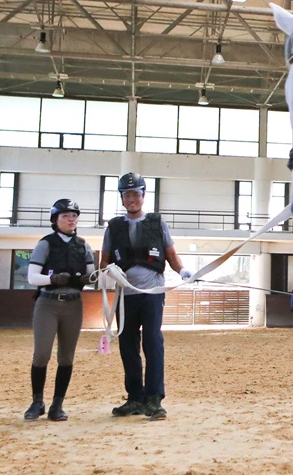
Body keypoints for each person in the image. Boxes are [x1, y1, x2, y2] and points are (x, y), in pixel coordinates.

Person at [100, 173, 190, 420]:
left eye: (135, 194)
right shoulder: (114, 227)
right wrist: (108, 271)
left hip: (151, 293)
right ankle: (135, 398)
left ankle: (154, 398)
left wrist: (183, 271)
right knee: (128, 346)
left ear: (143, 196)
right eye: (127, 195)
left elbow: (171, 255)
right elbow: (104, 261)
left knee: (152, 341)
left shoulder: (157, 223)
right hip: (125, 296)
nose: (131, 199)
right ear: (122, 198)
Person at [24, 199, 97, 421]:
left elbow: (92, 276)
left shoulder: (83, 245)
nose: (71, 219)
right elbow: (31, 277)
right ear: (55, 220)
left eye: (74, 215)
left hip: (73, 305)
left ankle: (58, 405)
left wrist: (90, 278)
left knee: (66, 357)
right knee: (42, 355)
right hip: (48, 303)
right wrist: (51, 278)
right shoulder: (45, 244)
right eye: (66, 216)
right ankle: (37, 402)